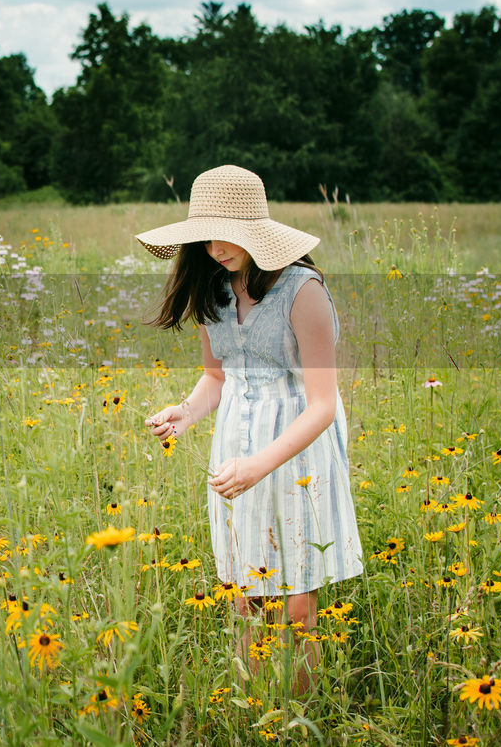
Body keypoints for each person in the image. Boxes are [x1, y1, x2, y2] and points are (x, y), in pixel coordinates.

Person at [137, 164, 363, 695]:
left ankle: (297, 716)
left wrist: (263, 463)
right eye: (207, 236)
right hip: (236, 441)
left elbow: (323, 405)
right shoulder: (213, 290)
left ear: (256, 231)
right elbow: (217, 377)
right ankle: (252, 710)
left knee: (296, 596)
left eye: (228, 234)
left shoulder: (302, 292)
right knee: (246, 592)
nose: (216, 248)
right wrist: (186, 412)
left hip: (296, 447)